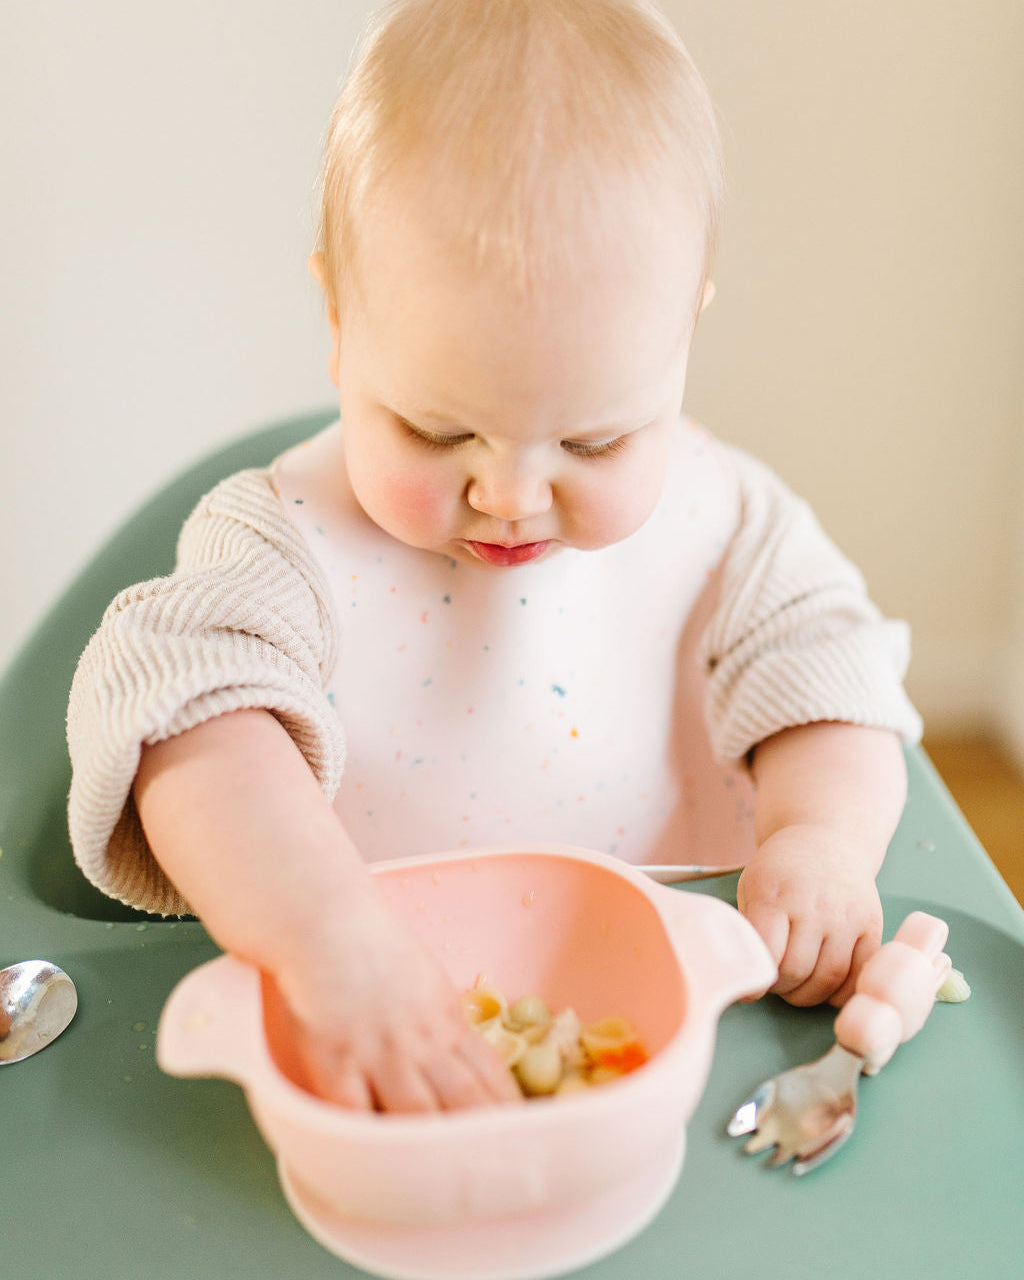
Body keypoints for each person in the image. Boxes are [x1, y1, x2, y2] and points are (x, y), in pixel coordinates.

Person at [66, 0, 921, 1114]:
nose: (511, 493)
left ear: (682, 336)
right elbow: (183, 720)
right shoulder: (281, 540)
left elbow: (835, 680)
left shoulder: (728, 521)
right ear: (336, 317)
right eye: (436, 429)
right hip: (373, 1028)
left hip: (697, 1037)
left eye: (594, 438)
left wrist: (821, 837)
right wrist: (328, 938)